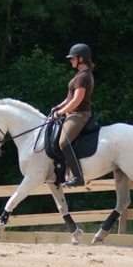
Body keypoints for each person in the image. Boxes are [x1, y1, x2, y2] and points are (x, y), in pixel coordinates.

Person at [51, 43, 95, 188]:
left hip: (79, 114)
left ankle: (77, 176)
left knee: (63, 141)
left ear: (81, 59)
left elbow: (77, 100)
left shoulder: (83, 77)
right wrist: (58, 107)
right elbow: (70, 98)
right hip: (73, 111)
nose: (70, 61)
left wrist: (61, 112)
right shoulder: (80, 75)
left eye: (72, 58)